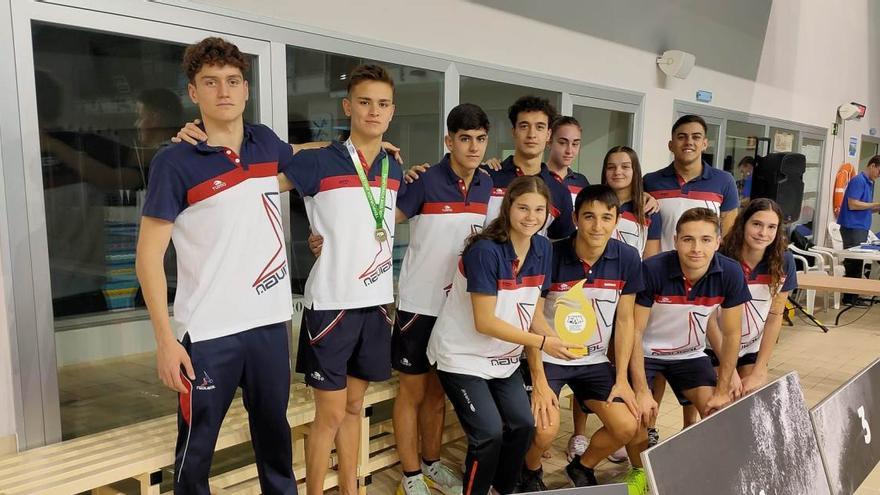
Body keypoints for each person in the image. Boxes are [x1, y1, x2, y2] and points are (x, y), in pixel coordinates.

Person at [136, 37, 297, 494]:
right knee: (196, 452)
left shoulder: (265, 143)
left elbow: (308, 159)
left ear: (246, 89)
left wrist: (372, 146)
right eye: (210, 82)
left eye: (231, 81)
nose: (223, 91)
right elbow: (148, 258)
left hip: (269, 324)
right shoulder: (175, 161)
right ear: (194, 93)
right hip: (206, 334)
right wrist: (165, 341)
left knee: (275, 440)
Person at [426, 176, 581, 495]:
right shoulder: (484, 251)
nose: (531, 217)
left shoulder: (542, 248)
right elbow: (485, 322)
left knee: (523, 426)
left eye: (539, 210)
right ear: (508, 207)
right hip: (461, 358)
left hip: (504, 359)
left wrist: (553, 341)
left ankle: (502, 488)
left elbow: (533, 312)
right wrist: (542, 342)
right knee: (489, 434)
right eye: (523, 208)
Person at [391, 103, 494, 495]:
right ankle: (410, 475)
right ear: (448, 140)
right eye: (464, 139)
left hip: (459, 310)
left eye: (480, 139)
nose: (472, 147)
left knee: (437, 393)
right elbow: (379, 222)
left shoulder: (487, 184)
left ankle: (431, 465)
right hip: (420, 305)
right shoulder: (423, 181)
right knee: (412, 393)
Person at [514, 185, 643, 493]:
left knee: (627, 425)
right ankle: (529, 470)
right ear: (574, 218)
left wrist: (622, 378)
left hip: (594, 361)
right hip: (548, 358)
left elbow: (625, 321)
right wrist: (538, 379)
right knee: (544, 432)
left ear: (616, 221)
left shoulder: (627, 257)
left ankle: (582, 466)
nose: (597, 226)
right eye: (589, 217)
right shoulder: (549, 253)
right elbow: (532, 319)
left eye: (605, 218)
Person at [627, 208, 751, 481]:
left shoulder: (729, 272)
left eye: (706, 240)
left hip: (690, 355)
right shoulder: (652, 269)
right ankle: (639, 474)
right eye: (688, 239)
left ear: (718, 242)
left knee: (718, 411)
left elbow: (732, 334)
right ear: (676, 239)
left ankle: (700, 472)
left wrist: (723, 386)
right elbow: (634, 332)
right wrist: (639, 390)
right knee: (638, 417)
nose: (697, 248)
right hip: (646, 352)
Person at [705, 198, 798, 394]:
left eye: (771, 227)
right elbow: (709, 319)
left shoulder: (784, 261)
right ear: (743, 223)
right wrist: (729, 370)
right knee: (717, 405)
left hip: (750, 349)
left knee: (751, 400)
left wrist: (760, 369)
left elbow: (774, 316)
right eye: (757, 224)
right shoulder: (720, 258)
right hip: (714, 347)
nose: (763, 233)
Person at [482, 96, 575, 240]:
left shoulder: (559, 191)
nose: (532, 135)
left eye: (539, 127)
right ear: (513, 132)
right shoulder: (488, 177)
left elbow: (559, 248)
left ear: (548, 135)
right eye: (524, 126)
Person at [643, 114, 739, 252]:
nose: (689, 142)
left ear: (705, 144)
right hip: (661, 269)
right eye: (681, 137)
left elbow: (728, 237)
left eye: (696, 137)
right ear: (671, 145)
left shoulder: (724, 181)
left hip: (706, 269)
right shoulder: (650, 181)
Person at [602, 146, 662, 259]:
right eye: (611, 167)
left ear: (635, 171)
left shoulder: (649, 209)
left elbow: (650, 259)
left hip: (633, 275)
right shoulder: (595, 203)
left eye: (625, 167)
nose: (617, 172)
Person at [836, 155, 880, 305]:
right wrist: (875, 204)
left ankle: (853, 296)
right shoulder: (858, 181)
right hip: (852, 226)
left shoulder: (869, 183)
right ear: (873, 165)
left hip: (861, 226)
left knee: (858, 263)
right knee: (853, 263)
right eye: (879, 171)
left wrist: (875, 207)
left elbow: (864, 208)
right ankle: (849, 298)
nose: (879, 175)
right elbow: (853, 204)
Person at [546, 116, 590, 204]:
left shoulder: (581, 182)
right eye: (562, 143)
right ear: (549, 142)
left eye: (575, 144)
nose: (569, 151)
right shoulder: (537, 177)